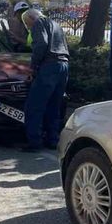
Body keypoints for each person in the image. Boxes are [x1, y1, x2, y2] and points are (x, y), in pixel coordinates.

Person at [21, 8, 69, 152]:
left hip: (49, 67)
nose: (28, 28)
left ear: (31, 18)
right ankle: (52, 139)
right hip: (64, 65)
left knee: (34, 106)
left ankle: (34, 142)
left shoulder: (39, 23)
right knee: (54, 105)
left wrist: (33, 67)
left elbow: (41, 44)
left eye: (27, 24)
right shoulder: (56, 24)